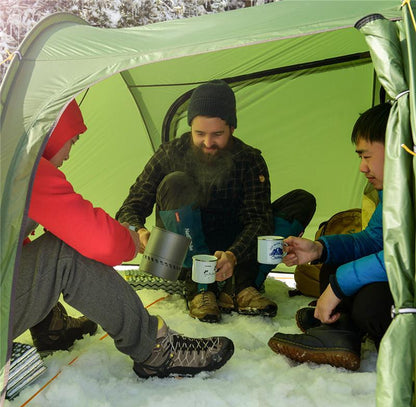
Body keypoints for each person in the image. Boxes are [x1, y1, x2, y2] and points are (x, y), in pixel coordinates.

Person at [12, 99, 234, 379]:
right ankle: (156, 349)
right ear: (52, 132)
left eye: (216, 134)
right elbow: (101, 241)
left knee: (40, 246)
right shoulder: (25, 169)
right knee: (65, 250)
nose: (69, 153)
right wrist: (132, 237)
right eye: (73, 140)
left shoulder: (7, 157)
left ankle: (51, 328)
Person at [116, 80, 316, 323]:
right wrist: (139, 231)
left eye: (217, 134)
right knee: (176, 182)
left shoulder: (248, 159)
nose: (208, 143)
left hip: (230, 252)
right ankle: (200, 288)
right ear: (190, 126)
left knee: (301, 201)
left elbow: (258, 221)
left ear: (232, 128)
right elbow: (131, 206)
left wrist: (232, 254)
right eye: (199, 133)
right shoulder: (170, 153)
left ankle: (240, 287)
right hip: (180, 255)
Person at [268, 102, 393, 371]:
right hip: (397, 275)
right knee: (335, 262)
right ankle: (339, 333)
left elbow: (405, 257)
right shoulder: (393, 191)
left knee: (369, 305)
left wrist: (339, 286)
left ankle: (342, 324)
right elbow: (373, 241)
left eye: (366, 156)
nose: (362, 167)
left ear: (397, 147)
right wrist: (318, 249)